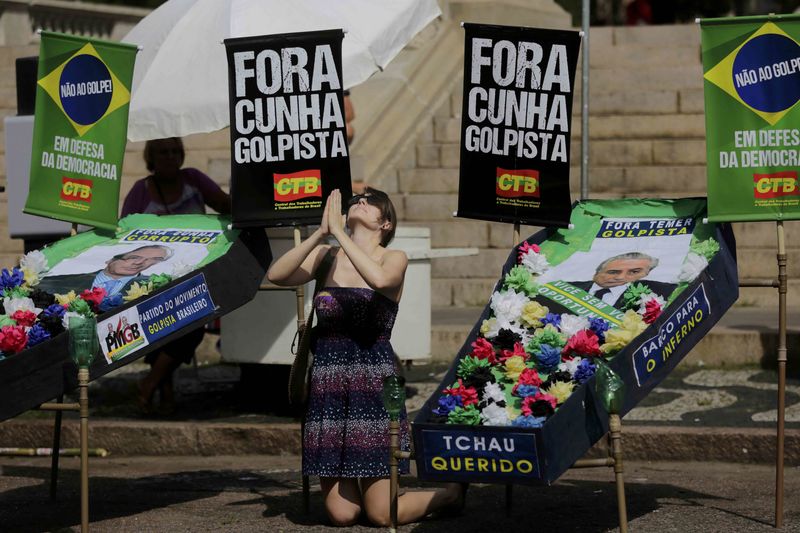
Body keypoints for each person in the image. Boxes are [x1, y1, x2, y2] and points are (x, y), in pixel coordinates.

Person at [267, 188, 463, 527]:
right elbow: (277, 275)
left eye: (370, 201)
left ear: (385, 222)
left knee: (380, 514)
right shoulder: (326, 256)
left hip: (373, 385)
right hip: (328, 383)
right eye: (357, 198)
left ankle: (451, 494)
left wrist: (341, 234)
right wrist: (320, 233)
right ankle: (355, 487)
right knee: (343, 515)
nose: (360, 201)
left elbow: (380, 280)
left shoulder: (393, 257)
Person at [124, 137, 231, 415]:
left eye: (175, 151)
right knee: (159, 326)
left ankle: (150, 383)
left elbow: (224, 205)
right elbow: (123, 236)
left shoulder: (193, 181)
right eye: (163, 152)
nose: (170, 157)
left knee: (192, 326)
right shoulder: (140, 191)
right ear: (151, 157)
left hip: (195, 278)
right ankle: (164, 391)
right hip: (151, 282)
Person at [36, 245, 172, 295]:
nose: (140, 262)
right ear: (111, 260)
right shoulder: (61, 281)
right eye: (133, 257)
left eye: (153, 260)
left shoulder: (152, 288)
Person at [570, 252, 676, 308]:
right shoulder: (568, 287)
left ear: (647, 273)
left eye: (634, 272)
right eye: (613, 272)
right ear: (596, 274)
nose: (620, 277)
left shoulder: (663, 292)